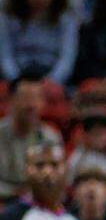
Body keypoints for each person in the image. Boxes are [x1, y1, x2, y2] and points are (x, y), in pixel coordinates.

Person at [0, 0, 79, 84]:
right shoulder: (8, 18)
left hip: (51, 77)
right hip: (18, 75)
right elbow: (5, 56)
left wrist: (52, 81)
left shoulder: (66, 19)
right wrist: (16, 80)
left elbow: (67, 58)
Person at [0, 73, 63, 202]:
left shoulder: (50, 138)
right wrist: (14, 193)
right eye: (25, 98)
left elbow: (57, 179)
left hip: (37, 203)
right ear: (11, 100)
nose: (32, 105)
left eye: (37, 98)